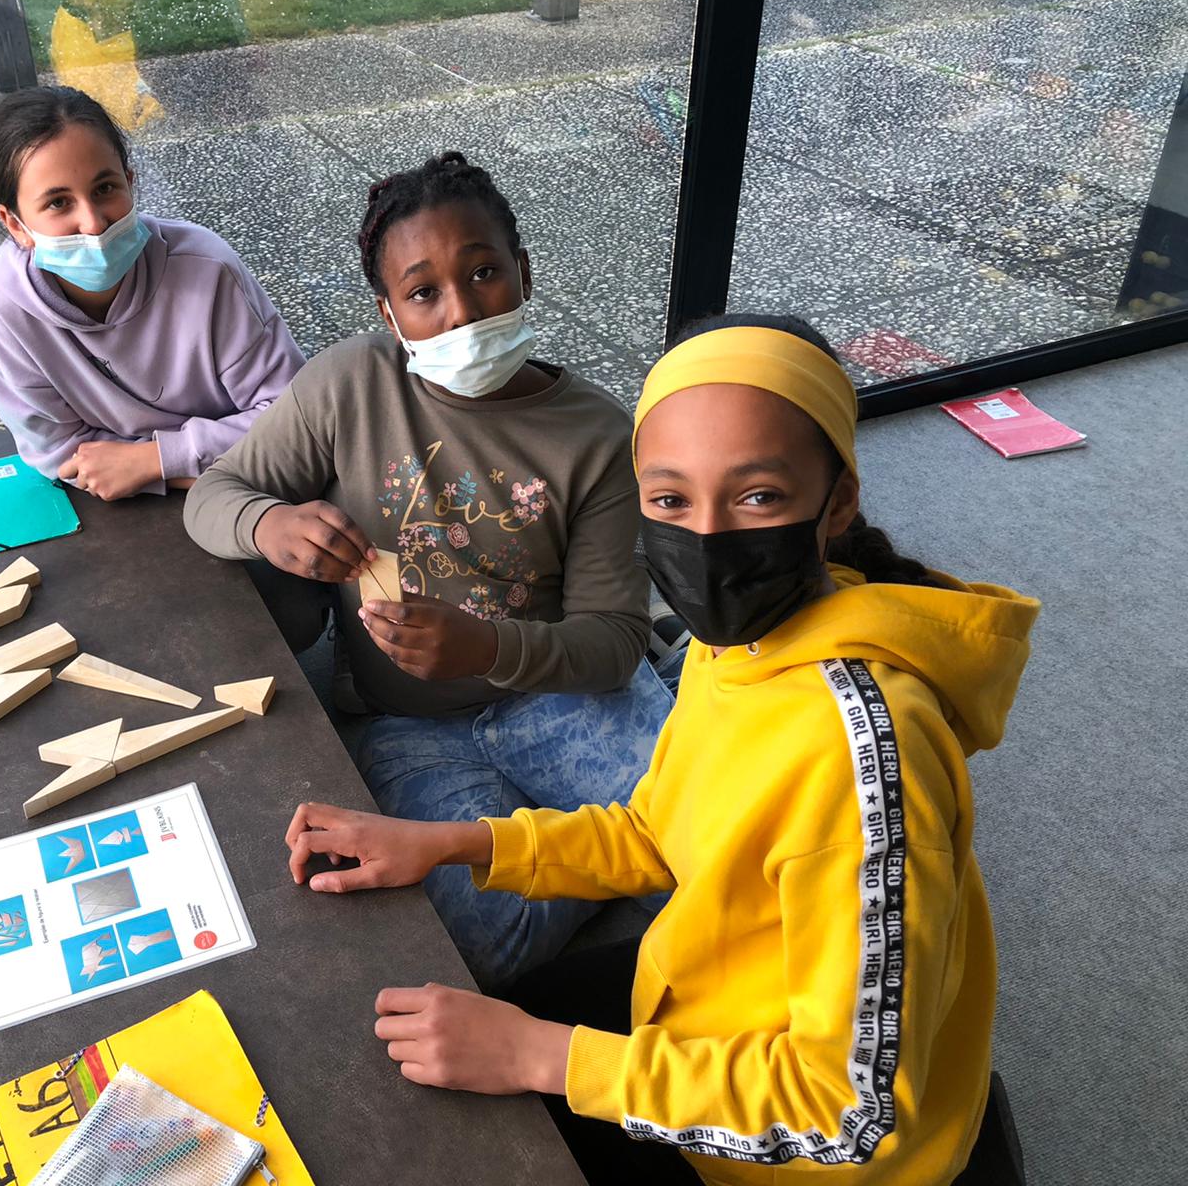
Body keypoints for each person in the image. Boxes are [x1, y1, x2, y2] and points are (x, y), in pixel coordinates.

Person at [281, 314, 1040, 1185]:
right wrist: (448, 844)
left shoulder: (862, 759)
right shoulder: (742, 642)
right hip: (703, 1010)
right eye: (670, 500)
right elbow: (656, 829)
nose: (706, 539)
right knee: (438, 1053)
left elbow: (851, 1115)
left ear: (837, 502)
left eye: (758, 497)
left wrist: (543, 1057)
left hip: (787, 1157)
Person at [185, 151, 673, 988]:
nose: (461, 311)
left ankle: (573, 841)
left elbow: (614, 641)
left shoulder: (595, 433)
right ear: (388, 312)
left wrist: (488, 648)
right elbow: (213, 496)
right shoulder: (349, 385)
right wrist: (270, 524)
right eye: (423, 293)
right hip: (406, 724)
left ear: (523, 272)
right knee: (475, 941)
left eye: (484, 273)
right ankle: (583, 852)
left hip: (558, 695)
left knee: (711, 842)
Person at [0, 85, 304, 502]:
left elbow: (294, 419)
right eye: (58, 203)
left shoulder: (207, 269)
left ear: (130, 183)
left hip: (261, 489)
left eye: (104, 189)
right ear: (15, 224)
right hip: (207, 481)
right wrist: (182, 468)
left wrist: (154, 461)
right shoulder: (8, 306)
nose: (93, 223)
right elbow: (59, 452)